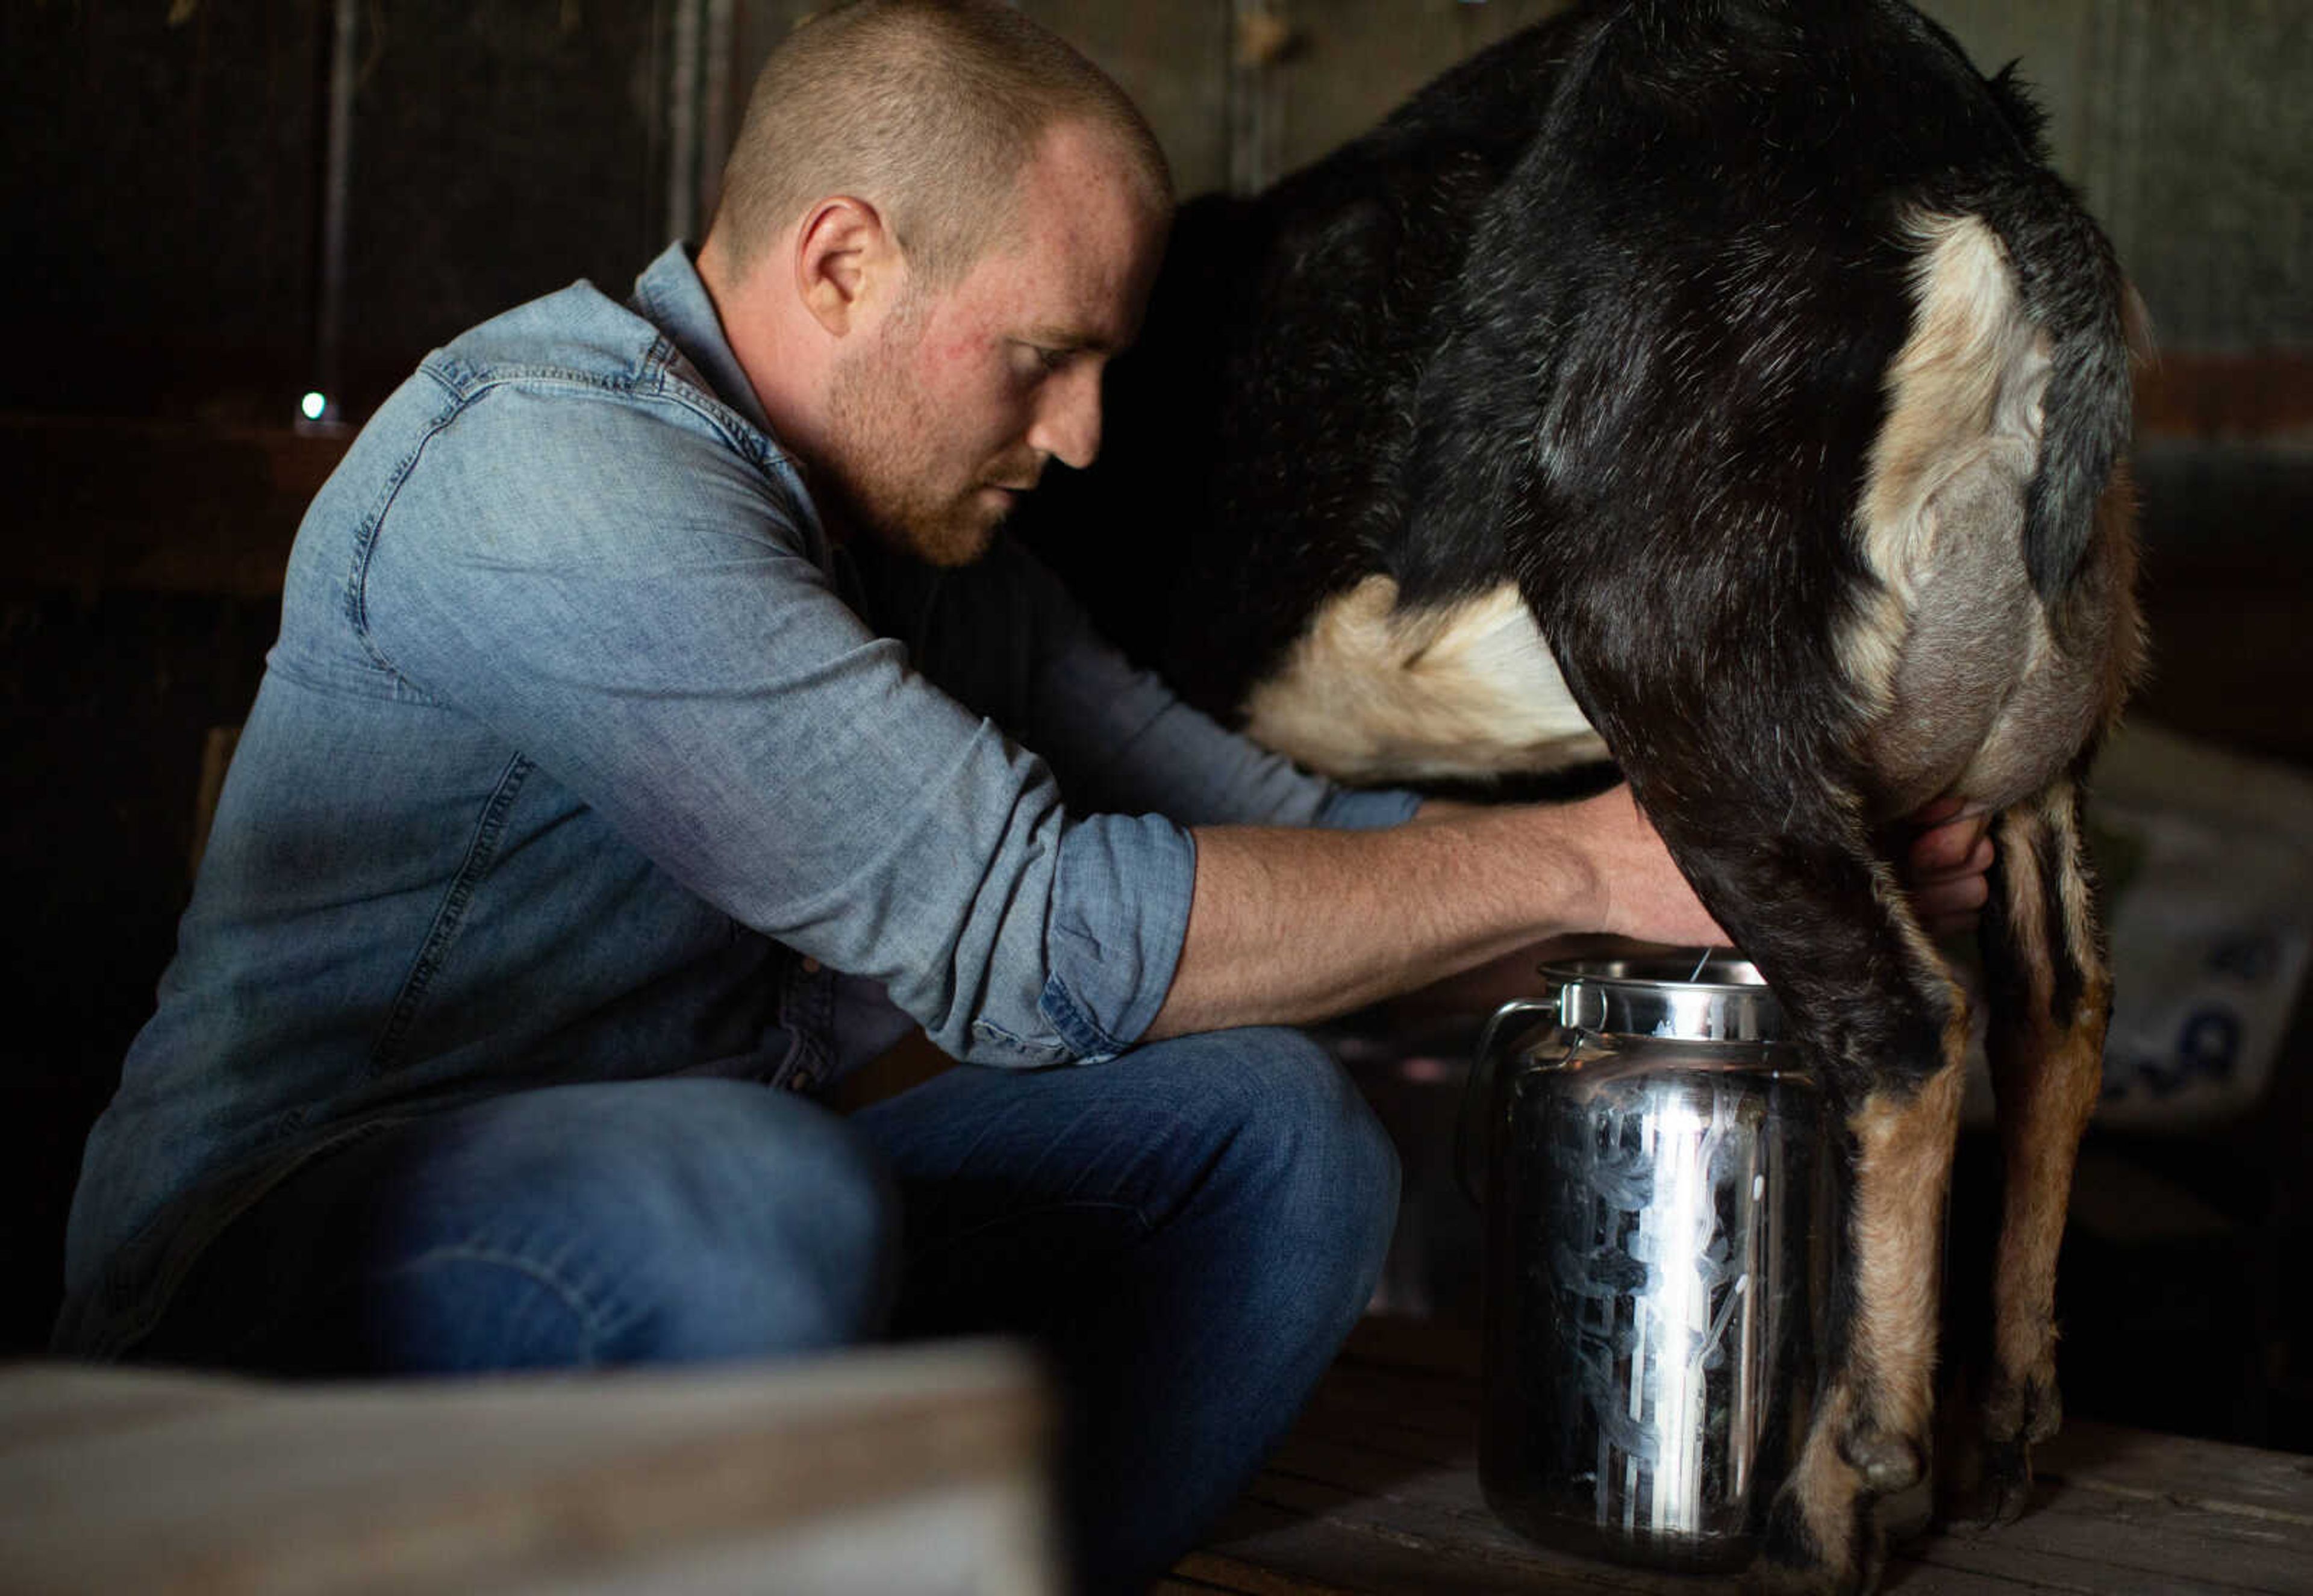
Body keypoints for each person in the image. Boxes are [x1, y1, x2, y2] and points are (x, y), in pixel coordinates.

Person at [58, 2, 1993, 1588]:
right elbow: (1026, 933)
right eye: (1049, 356)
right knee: (754, 1200)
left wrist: (1719, 887)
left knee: (1280, 1135)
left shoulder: (924, 554)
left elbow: (1303, 861)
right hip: (284, 1273)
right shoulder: (556, 476)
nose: (1078, 436)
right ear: (842, 261)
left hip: (713, 1230)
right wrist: (1588, 845)